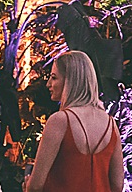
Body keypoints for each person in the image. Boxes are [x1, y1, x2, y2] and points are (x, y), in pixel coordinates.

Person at [26, 52, 123, 192]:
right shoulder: (110, 124)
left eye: (54, 78)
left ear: (70, 81)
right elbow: (118, 185)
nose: (48, 84)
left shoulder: (59, 121)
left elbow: (35, 186)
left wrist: (28, 184)